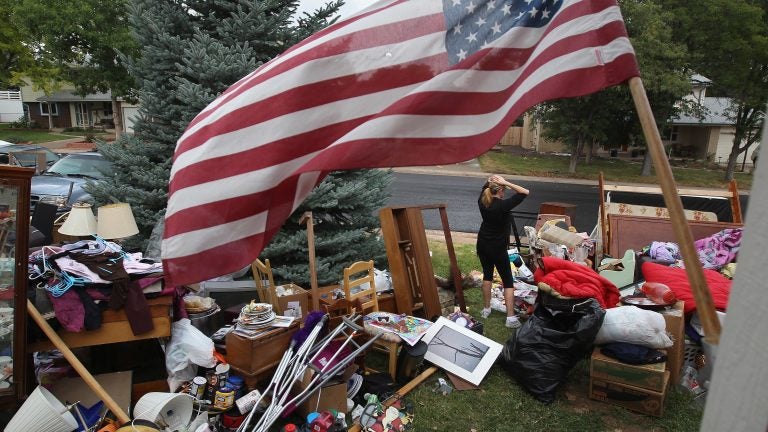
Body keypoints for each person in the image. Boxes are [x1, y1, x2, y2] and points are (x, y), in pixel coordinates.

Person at [476, 174, 530, 328]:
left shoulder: (482, 200)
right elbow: (525, 192)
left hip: (483, 244)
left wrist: (490, 179)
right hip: (498, 248)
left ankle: (486, 309)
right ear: (500, 190)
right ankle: (511, 318)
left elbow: (485, 187)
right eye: (504, 190)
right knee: (507, 281)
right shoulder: (503, 205)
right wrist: (505, 181)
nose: (505, 192)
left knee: (487, 275)